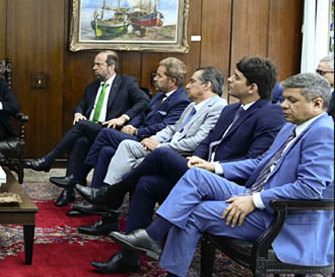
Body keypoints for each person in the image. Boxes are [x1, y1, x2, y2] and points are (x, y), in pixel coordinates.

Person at [110, 72, 334, 277]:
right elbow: (261, 163)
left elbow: (309, 188)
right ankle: (153, 236)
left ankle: (162, 253)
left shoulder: (323, 132)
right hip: (256, 193)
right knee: (196, 175)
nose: (283, 105)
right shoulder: (292, 126)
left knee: (193, 212)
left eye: (292, 101)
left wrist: (254, 201)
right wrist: (214, 167)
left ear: (317, 104)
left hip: (279, 216)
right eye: (284, 98)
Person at [80, 56, 285, 273]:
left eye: (236, 77)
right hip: (200, 171)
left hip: (227, 183)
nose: (229, 79)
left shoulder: (270, 115)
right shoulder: (230, 110)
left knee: (162, 155)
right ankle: (129, 256)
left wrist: (211, 166)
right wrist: (194, 159)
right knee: (147, 183)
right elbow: (206, 143)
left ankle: (111, 194)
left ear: (252, 87)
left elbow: (256, 162)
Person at [26, 50, 149, 206]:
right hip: (91, 130)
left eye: (98, 64)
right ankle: (69, 190)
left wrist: (123, 118)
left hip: (110, 131)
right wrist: (78, 113)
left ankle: (49, 160)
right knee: (80, 141)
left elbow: (144, 101)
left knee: (82, 127)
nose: (94, 68)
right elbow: (81, 105)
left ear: (111, 66)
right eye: (94, 64)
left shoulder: (127, 83)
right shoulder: (92, 87)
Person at [99, 67, 226, 187]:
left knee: (135, 163)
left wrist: (159, 146)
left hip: (182, 155)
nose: (187, 86)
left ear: (206, 85)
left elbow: (197, 142)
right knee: (127, 145)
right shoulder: (192, 105)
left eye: (192, 82)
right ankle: (107, 191)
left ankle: (109, 195)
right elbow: (173, 128)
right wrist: (154, 140)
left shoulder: (218, 107)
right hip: (166, 146)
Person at [80, 57, 191, 191]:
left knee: (105, 133)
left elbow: (165, 127)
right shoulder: (160, 94)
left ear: (172, 81)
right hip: (137, 135)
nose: (155, 78)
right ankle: (97, 195)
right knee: (106, 150)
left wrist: (137, 132)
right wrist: (131, 126)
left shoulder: (181, 101)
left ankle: (80, 174)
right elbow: (143, 113)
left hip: (148, 142)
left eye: (159, 76)